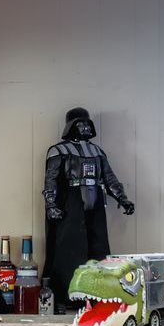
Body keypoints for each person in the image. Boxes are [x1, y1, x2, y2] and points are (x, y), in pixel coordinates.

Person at [42, 107, 134, 314]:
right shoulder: (58, 151)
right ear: (70, 126)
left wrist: (123, 199)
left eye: (87, 124)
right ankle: (65, 296)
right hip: (71, 203)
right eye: (79, 123)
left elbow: (109, 179)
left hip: (96, 203)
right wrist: (51, 205)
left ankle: (99, 294)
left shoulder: (98, 152)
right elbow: (51, 182)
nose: (84, 127)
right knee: (68, 251)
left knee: (99, 250)